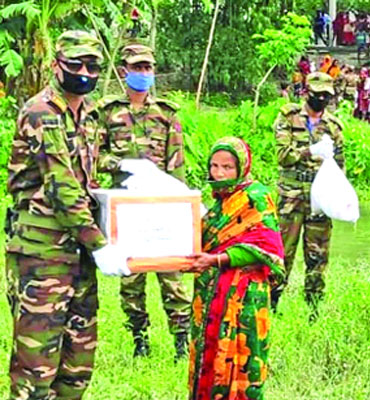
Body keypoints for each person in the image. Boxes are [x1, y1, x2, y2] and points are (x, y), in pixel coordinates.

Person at [4, 30, 127, 400]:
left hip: (78, 254)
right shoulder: (42, 111)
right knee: (36, 369)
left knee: (77, 365)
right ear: (57, 64)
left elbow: (85, 180)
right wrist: (100, 244)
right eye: (76, 65)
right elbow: (61, 185)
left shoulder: (88, 113)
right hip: (42, 256)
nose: (85, 73)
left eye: (93, 66)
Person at [97, 43, 192, 359]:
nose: (143, 73)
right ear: (124, 71)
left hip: (161, 207)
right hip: (125, 209)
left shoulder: (166, 114)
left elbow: (176, 165)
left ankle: (181, 343)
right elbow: (94, 156)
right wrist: (120, 164)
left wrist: (183, 211)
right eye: (137, 68)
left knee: (172, 275)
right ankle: (140, 341)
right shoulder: (107, 112)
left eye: (148, 68)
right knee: (131, 278)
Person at [187, 137, 285, 400]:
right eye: (214, 166)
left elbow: (266, 247)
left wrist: (216, 259)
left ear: (241, 167)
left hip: (244, 297)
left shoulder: (256, 197)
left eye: (227, 167)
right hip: (211, 292)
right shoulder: (218, 202)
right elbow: (205, 241)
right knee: (208, 351)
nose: (219, 173)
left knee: (243, 356)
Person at [271, 72, 345, 319]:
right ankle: (272, 306)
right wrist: (310, 151)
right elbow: (283, 155)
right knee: (281, 254)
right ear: (307, 92)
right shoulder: (288, 118)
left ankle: (313, 311)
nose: (321, 99)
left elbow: (340, 166)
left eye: (326, 95)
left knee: (318, 255)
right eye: (317, 94)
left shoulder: (334, 127)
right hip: (291, 198)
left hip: (320, 201)